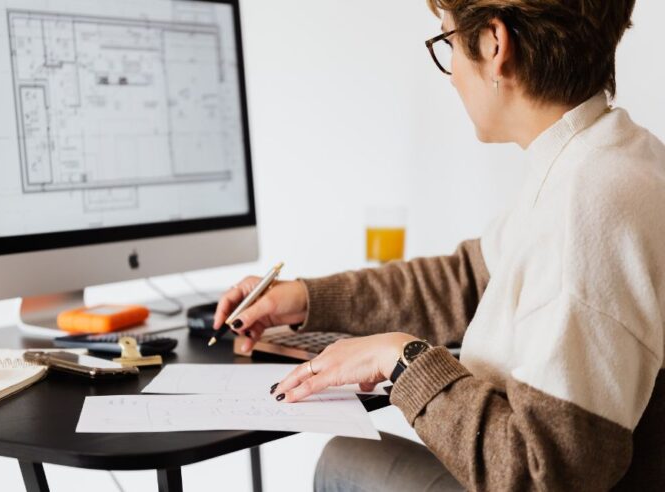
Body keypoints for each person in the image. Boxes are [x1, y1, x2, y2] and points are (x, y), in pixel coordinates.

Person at [214, 0, 665, 490]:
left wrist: (401, 359)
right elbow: (468, 280)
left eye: (447, 42)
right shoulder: (606, 157)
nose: (451, 75)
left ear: (494, 43)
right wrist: (309, 298)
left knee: (342, 462)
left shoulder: (588, 206)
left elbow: (545, 473)